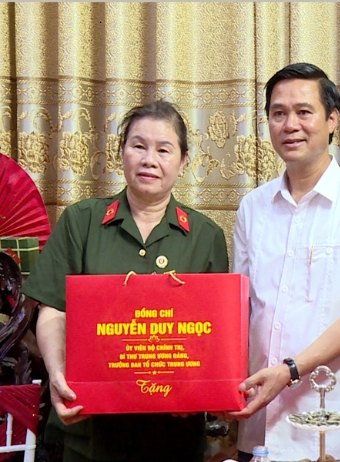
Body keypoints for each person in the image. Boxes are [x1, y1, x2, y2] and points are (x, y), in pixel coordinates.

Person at [24, 100, 229, 461]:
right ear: (122, 152)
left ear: (183, 162)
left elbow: (213, 334)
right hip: (89, 431)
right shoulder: (81, 222)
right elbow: (53, 309)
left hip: (173, 435)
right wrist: (57, 374)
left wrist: (198, 391)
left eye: (164, 150)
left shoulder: (205, 235)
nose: (149, 159)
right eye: (138, 145)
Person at [231, 63, 340, 462]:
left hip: (332, 427)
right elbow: (238, 308)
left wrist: (290, 370)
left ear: (331, 119)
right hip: (258, 420)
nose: (290, 124)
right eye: (278, 113)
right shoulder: (252, 207)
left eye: (304, 112)